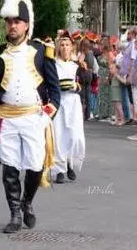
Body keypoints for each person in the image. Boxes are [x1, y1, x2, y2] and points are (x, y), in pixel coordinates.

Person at [0, 0, 60, 234]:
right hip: (7, 117)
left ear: (27, 25)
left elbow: (54, 89)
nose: (12, 26)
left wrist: (47, 114)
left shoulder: (41, 51)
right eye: (10, 22)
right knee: (10, 168)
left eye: (17, 21)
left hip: (33, 117)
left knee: (36, 165)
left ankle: (27, 202)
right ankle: (14, 213)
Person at [51, 31, 87, 184]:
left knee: (74, 136)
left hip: (73, 102)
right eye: (62, 45)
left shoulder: (77, 66)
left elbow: (85, 83)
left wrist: (76, 85)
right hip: (59, 102)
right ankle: (59, 169)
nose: (65, 48)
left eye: (67, 45)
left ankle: (70, 162)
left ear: (72, 47)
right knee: (59, 135)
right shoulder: (53, 65)